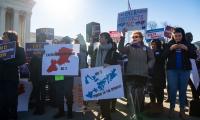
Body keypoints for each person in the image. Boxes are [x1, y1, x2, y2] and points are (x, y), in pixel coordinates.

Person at [118, 30, 155, 120]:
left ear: (141, 38)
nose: (134, 38)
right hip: (130, 75)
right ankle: (133, 116)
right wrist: (123, 36)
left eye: (136, 36)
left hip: (142, 75)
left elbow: (152, 59)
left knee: (140, 97)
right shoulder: (129, 47)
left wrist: (148, 66)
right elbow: (120, 49)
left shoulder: (147, 48)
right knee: (131, 97)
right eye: (133, 37)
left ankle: (139, 115)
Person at [162, 27, 197, 120]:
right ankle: (172, 109)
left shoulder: (188, 44)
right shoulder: (168, 44)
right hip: (171, 70)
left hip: (185, 71)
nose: (177, 37)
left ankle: (182, 110)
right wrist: (170, 49)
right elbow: (162, 57)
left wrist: (186, 49)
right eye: (175, 36)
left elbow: (194, 56)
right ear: (173, 36)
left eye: (179, 35)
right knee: (172, 89)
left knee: (183, 90)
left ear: (183, 35)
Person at [0, 31, 26, 120]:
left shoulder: (19, 49)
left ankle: (13, 116)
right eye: (3, 37)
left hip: (11, 78)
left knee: (12, 99)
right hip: (1, 78)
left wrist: (7, 61)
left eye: (5, 37)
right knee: (2, 100)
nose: (3, 39)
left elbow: (22, 61)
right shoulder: (0, 48)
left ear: (11, 38)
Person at [88, 32, 113, 120]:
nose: (100, 39)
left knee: (106, 98)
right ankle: (104, 115)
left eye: (102, 37)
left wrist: (110, 64)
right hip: (98, 74)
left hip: (107, 75)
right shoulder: (97, 48)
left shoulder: (112, 48)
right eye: (99, 37)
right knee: (101, 98)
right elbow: (90, 53)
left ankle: (107, 116)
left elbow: (115, 60)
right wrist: (91, 42)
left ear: (107, 39)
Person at [53, 36, 74, 119]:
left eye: (63, 41)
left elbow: (74, 63)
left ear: (67, 43)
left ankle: (69, 112)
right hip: (59, 75)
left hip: (68, 76)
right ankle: (61, 112)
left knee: (68, 94)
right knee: (59, 94)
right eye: (61, 41)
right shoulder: (57, 50)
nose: (61, 42)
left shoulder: (73, 51)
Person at [149, 39, 166, 112]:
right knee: (151, 89)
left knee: (159, 90)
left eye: (154, 44)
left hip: (159, 75)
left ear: (158, 44)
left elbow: (159, 58)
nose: (153, 46)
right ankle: (152, 103)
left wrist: (154, 53)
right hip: (151, 74)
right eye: (152, 44)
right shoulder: (150, 51)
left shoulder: (161, 51)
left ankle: (160, 104)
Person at [29, 50, 45, 115]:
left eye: (38, 51)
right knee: (37, 94)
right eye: (35, 51)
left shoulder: (43, 58)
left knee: (40, 94)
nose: (36, 52)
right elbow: (31, 68)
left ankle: (41, 109)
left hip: (40, 78)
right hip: (36, 78)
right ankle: (38, 108)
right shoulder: (33, 58)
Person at [185, 32, 200, 101]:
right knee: (194, 86)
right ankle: (195, 102)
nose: (191, 38)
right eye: (190, 37)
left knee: (185, 86)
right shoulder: (193, 47)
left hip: (187, 68)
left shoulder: (192, 46)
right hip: (192, 68)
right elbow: (197, 57)